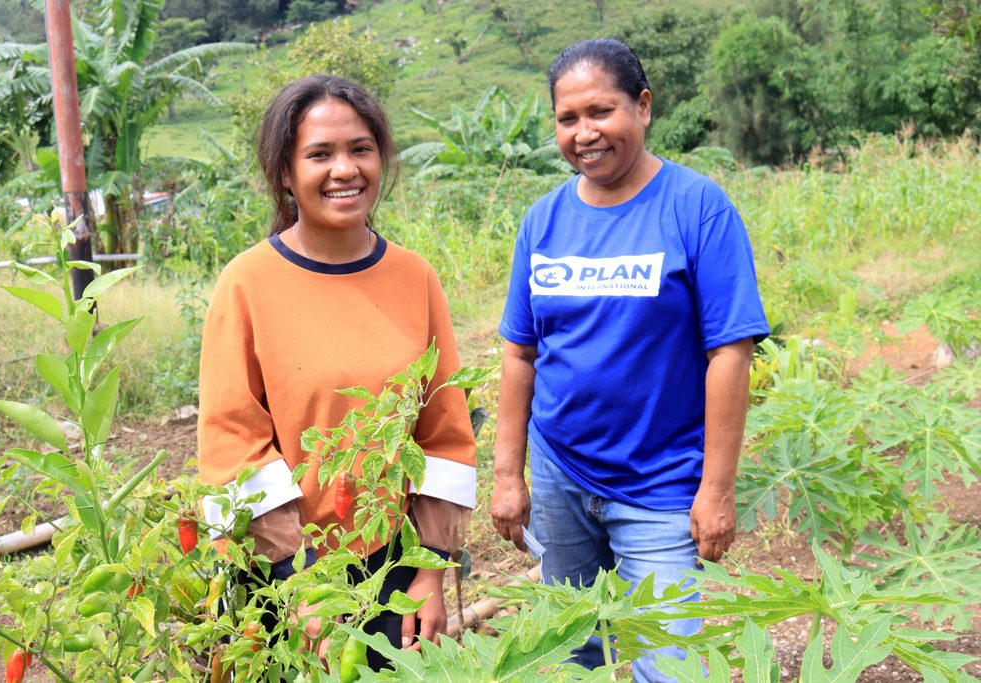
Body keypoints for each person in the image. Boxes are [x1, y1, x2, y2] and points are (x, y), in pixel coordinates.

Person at [490, 38, 769, 682]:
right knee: (571, 648)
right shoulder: (543, 221)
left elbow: (729, 352)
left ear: (643, 107)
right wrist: (508, 476)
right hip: (560, 472)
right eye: (567, 118)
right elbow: (519, 353)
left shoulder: (697, 207)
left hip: (661, 485)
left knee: (668, 663)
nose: (585, 133)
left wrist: (717, 490)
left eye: (602, 111)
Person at [197, 75, 477, 668]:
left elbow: (443, 432)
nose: (344, 169)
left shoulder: (414, 277)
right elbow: (233, 443)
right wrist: (301, 586)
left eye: (360, 149)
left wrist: (427, 568)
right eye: (319, 154)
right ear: (284, 172)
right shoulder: (247, 284)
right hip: (280, 576)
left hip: (392, 568)